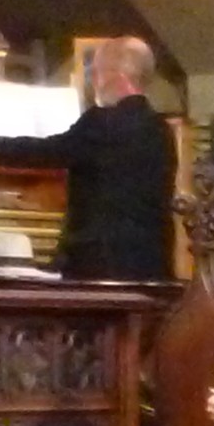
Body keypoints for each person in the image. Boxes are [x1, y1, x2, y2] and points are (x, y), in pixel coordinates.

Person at [48, 34, 178, 283]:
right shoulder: (162, 130)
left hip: (98, 267)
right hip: (152, 267)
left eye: (96, 73)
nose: (95, 82)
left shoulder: (102, 122)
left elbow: (48, 152)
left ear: (115, 76)